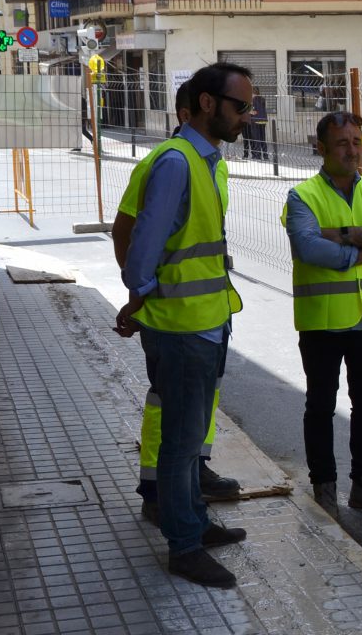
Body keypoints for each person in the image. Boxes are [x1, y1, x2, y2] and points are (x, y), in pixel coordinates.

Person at [113, 62, 255, 589]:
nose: (247, 116)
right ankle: (184, 546)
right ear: (206, 103)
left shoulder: (204, 160)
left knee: (191, 439)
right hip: (181, 328)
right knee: (179, 443)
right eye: (240, 106)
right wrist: (142, 300)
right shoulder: (176, 162)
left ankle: (192, 521)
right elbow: (139, 253)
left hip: (206, 323)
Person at [282, 111, 362, 519]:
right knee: (320, 404)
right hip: (322, 320)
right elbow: (308, 247)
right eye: (342, 143)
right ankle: (324, 487)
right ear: (321, 149)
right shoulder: (302, 196)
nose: (352, 150)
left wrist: (343, 234)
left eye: (357, 141)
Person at [243, 87, 269, 160]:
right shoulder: (263, 99)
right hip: (263, 121)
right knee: (263, 139)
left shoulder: (253, 100)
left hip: (255, 122)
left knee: (256, 139)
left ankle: (257, 156)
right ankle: (265, 155)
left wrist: (247, 111)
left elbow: (254, 112)